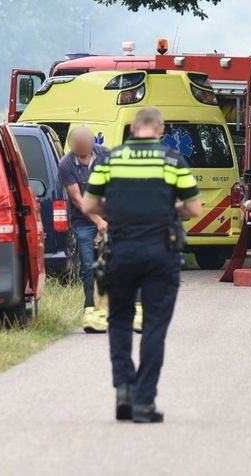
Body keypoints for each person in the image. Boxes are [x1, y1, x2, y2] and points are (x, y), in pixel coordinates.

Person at [83, 106, 202, 424]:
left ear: (133, 129)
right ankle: (144, 403)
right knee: (153, 326)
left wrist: (119, 206)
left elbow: (89, 204)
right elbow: (194, 207)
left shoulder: (110, 159)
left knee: (119, 321)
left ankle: (123, 389)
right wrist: (168, 207)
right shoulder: (172, 160)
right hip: (159, 253)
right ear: (160, 129)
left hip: (120, 252)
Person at [58, 125, 112, 333]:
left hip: (109, 219)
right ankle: (91, 311)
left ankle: (111, 310)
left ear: (92, 143)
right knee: (90, 267)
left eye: (86, 145)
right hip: (83, 222)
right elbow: (78, 200)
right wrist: (98, 221)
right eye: (79, 147)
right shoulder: (66, 164)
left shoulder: (105, 155)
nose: (83, 150)